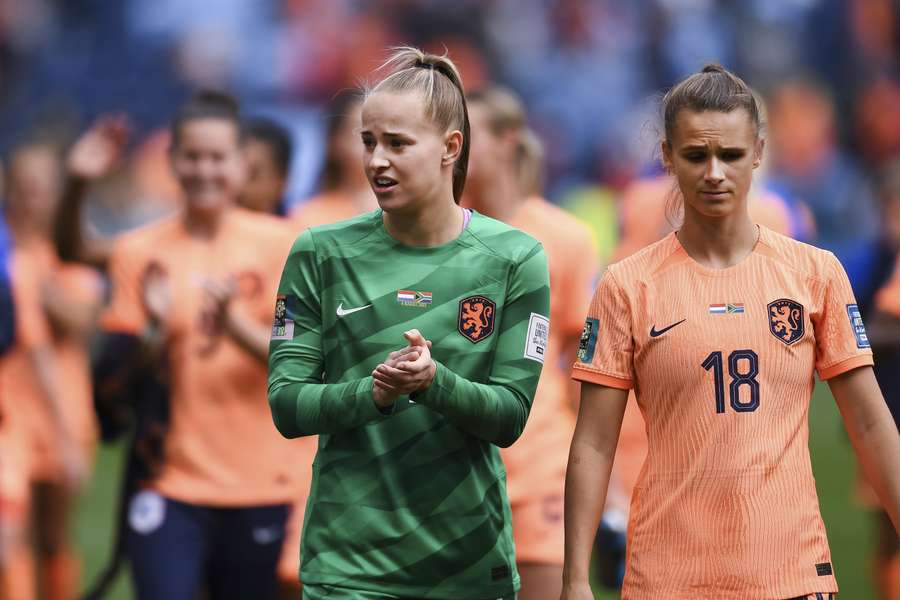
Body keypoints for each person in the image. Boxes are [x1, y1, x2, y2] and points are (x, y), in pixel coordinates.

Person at [562, 64, 900, 599]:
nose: (714, 172)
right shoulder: (627, 285)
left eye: (732, 155)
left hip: (791, 574)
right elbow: (594, 443)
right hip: (668, 579)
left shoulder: (815, 272)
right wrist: (575, 578)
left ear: (759, 153)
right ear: (668, 158)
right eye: (696, 155)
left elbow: (870, 422)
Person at [268, 47, 550, 600]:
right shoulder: (320, 252)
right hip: (348, 568)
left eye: (397, 144)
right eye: (369, 142)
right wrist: (373, 393)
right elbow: (285, 403)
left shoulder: (516, 258)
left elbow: (510, 417)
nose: (376, 160)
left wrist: (433, 383)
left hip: (466, 568)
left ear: (451, 148)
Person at [100, 91, 301, 600]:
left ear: (240, 164)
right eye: (192, 156)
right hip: (168, 480)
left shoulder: (285, 246)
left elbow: (300, 360)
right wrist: (153, 331)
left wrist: (233, 325)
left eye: (218, 157)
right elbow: (111, 384)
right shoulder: (137, 251)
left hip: (257, 481)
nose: (204, 170)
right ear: (171, 161)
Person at [464, 86, 597, 600]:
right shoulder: (440, 232)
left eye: (470, 135)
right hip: (461, 464)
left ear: (508, 140)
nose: (456, 148)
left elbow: (583, 365)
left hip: (540, 461)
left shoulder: (564, 237)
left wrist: (602, 481)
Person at [0, 141, 103, 600]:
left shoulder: (67, 256)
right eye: (22, 190)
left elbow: (80, 321)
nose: (30, 202)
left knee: (53, 534)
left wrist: (37, 284)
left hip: (64, 411)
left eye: (41, 191)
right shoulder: (7, 257)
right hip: (10, 416)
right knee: (10, 533)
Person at [289, 91, 377, 229]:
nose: (378, 144)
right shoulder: (310, 216)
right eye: (364, 134)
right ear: (335, 140)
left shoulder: (406, 211)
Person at [240, 117, 294, 216]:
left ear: (282, 182)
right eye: (236, 172)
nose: (240, 185)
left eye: (252, 175)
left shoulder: (297, 229)